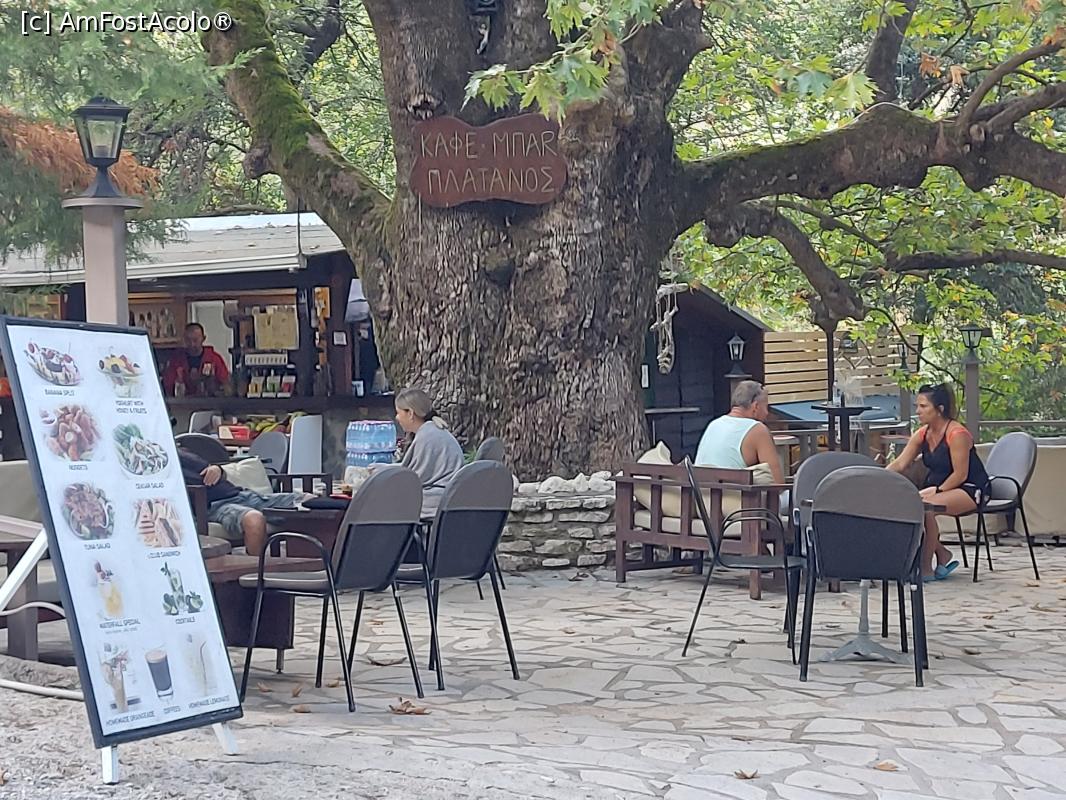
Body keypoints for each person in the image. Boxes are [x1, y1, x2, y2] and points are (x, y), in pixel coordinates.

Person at [887, 383, 990, 580]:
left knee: (926, 508)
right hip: (939, 488)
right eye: (917, 406)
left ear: (939, 409)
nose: (918, 411)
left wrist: (938, 490)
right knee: (911, 505)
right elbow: (900, 463)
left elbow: (960, 475)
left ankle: (926, 567)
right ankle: (942, 553)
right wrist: (877, 477)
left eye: (923, 406)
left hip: (969, 488)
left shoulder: (957, 434)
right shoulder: (923, 433)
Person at [178, 448, 309, 556]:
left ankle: (312, 565)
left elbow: (213, 470)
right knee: (254, 519)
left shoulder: (182, 454)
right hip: (214, 506)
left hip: (241, 495)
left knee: (308, 500)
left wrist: (217, 469)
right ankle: (258, 575)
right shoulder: (167, 470)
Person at [375, 388, 464, 518]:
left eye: (398, 413)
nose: (397, 418)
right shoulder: (432, 431)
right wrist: (381, 469)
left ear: (410, 413)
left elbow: (413, 478)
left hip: (435, 503)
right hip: (448, 499)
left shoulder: (427, 436)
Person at [695, 380, 785, 483]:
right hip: (733, 492)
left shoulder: (713, 424)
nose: (767, 413)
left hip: (701, 491)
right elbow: (777, 482)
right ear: (755, 406)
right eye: (766, 407)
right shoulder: (758, 430)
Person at [162, 323, 230, 397]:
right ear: (184, 339)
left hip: (209, 402)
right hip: (183, 402)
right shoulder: (176, 360)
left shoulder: (214, 359)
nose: (192, 344)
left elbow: (225, 385)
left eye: (195, 340)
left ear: (203, 338)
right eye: (188, 340)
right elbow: (167, 386)